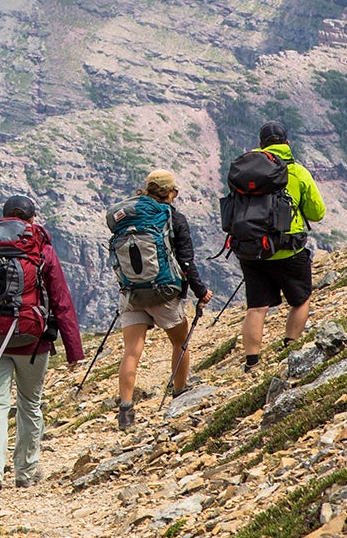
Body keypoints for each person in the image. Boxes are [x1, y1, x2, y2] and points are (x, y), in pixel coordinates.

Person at [0, 193, 83, 500]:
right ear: (30, 220)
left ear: (5, 217)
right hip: (32, 340)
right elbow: (61, 301)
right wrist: (73, 351)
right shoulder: (41, 247)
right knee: (30, 403)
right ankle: (25, 474)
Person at [115, 170, 213, 428]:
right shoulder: (174, 218)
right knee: (180, 342)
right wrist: (201, 292)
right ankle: (179, 393)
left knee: (131, 352)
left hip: (132, 293)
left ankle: (125, 409)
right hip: (164, 293)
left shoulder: (129, 217)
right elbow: (187, 261)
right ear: (172, 193)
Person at [233, 122, 327, 372]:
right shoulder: (297, 171)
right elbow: (317, 213)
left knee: (257, 306)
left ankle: (252, 361)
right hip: (288, 249)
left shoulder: (245, 171)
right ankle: (290, 347)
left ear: (261, 145)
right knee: (301, 298)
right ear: (286, 143)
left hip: (252, 250)